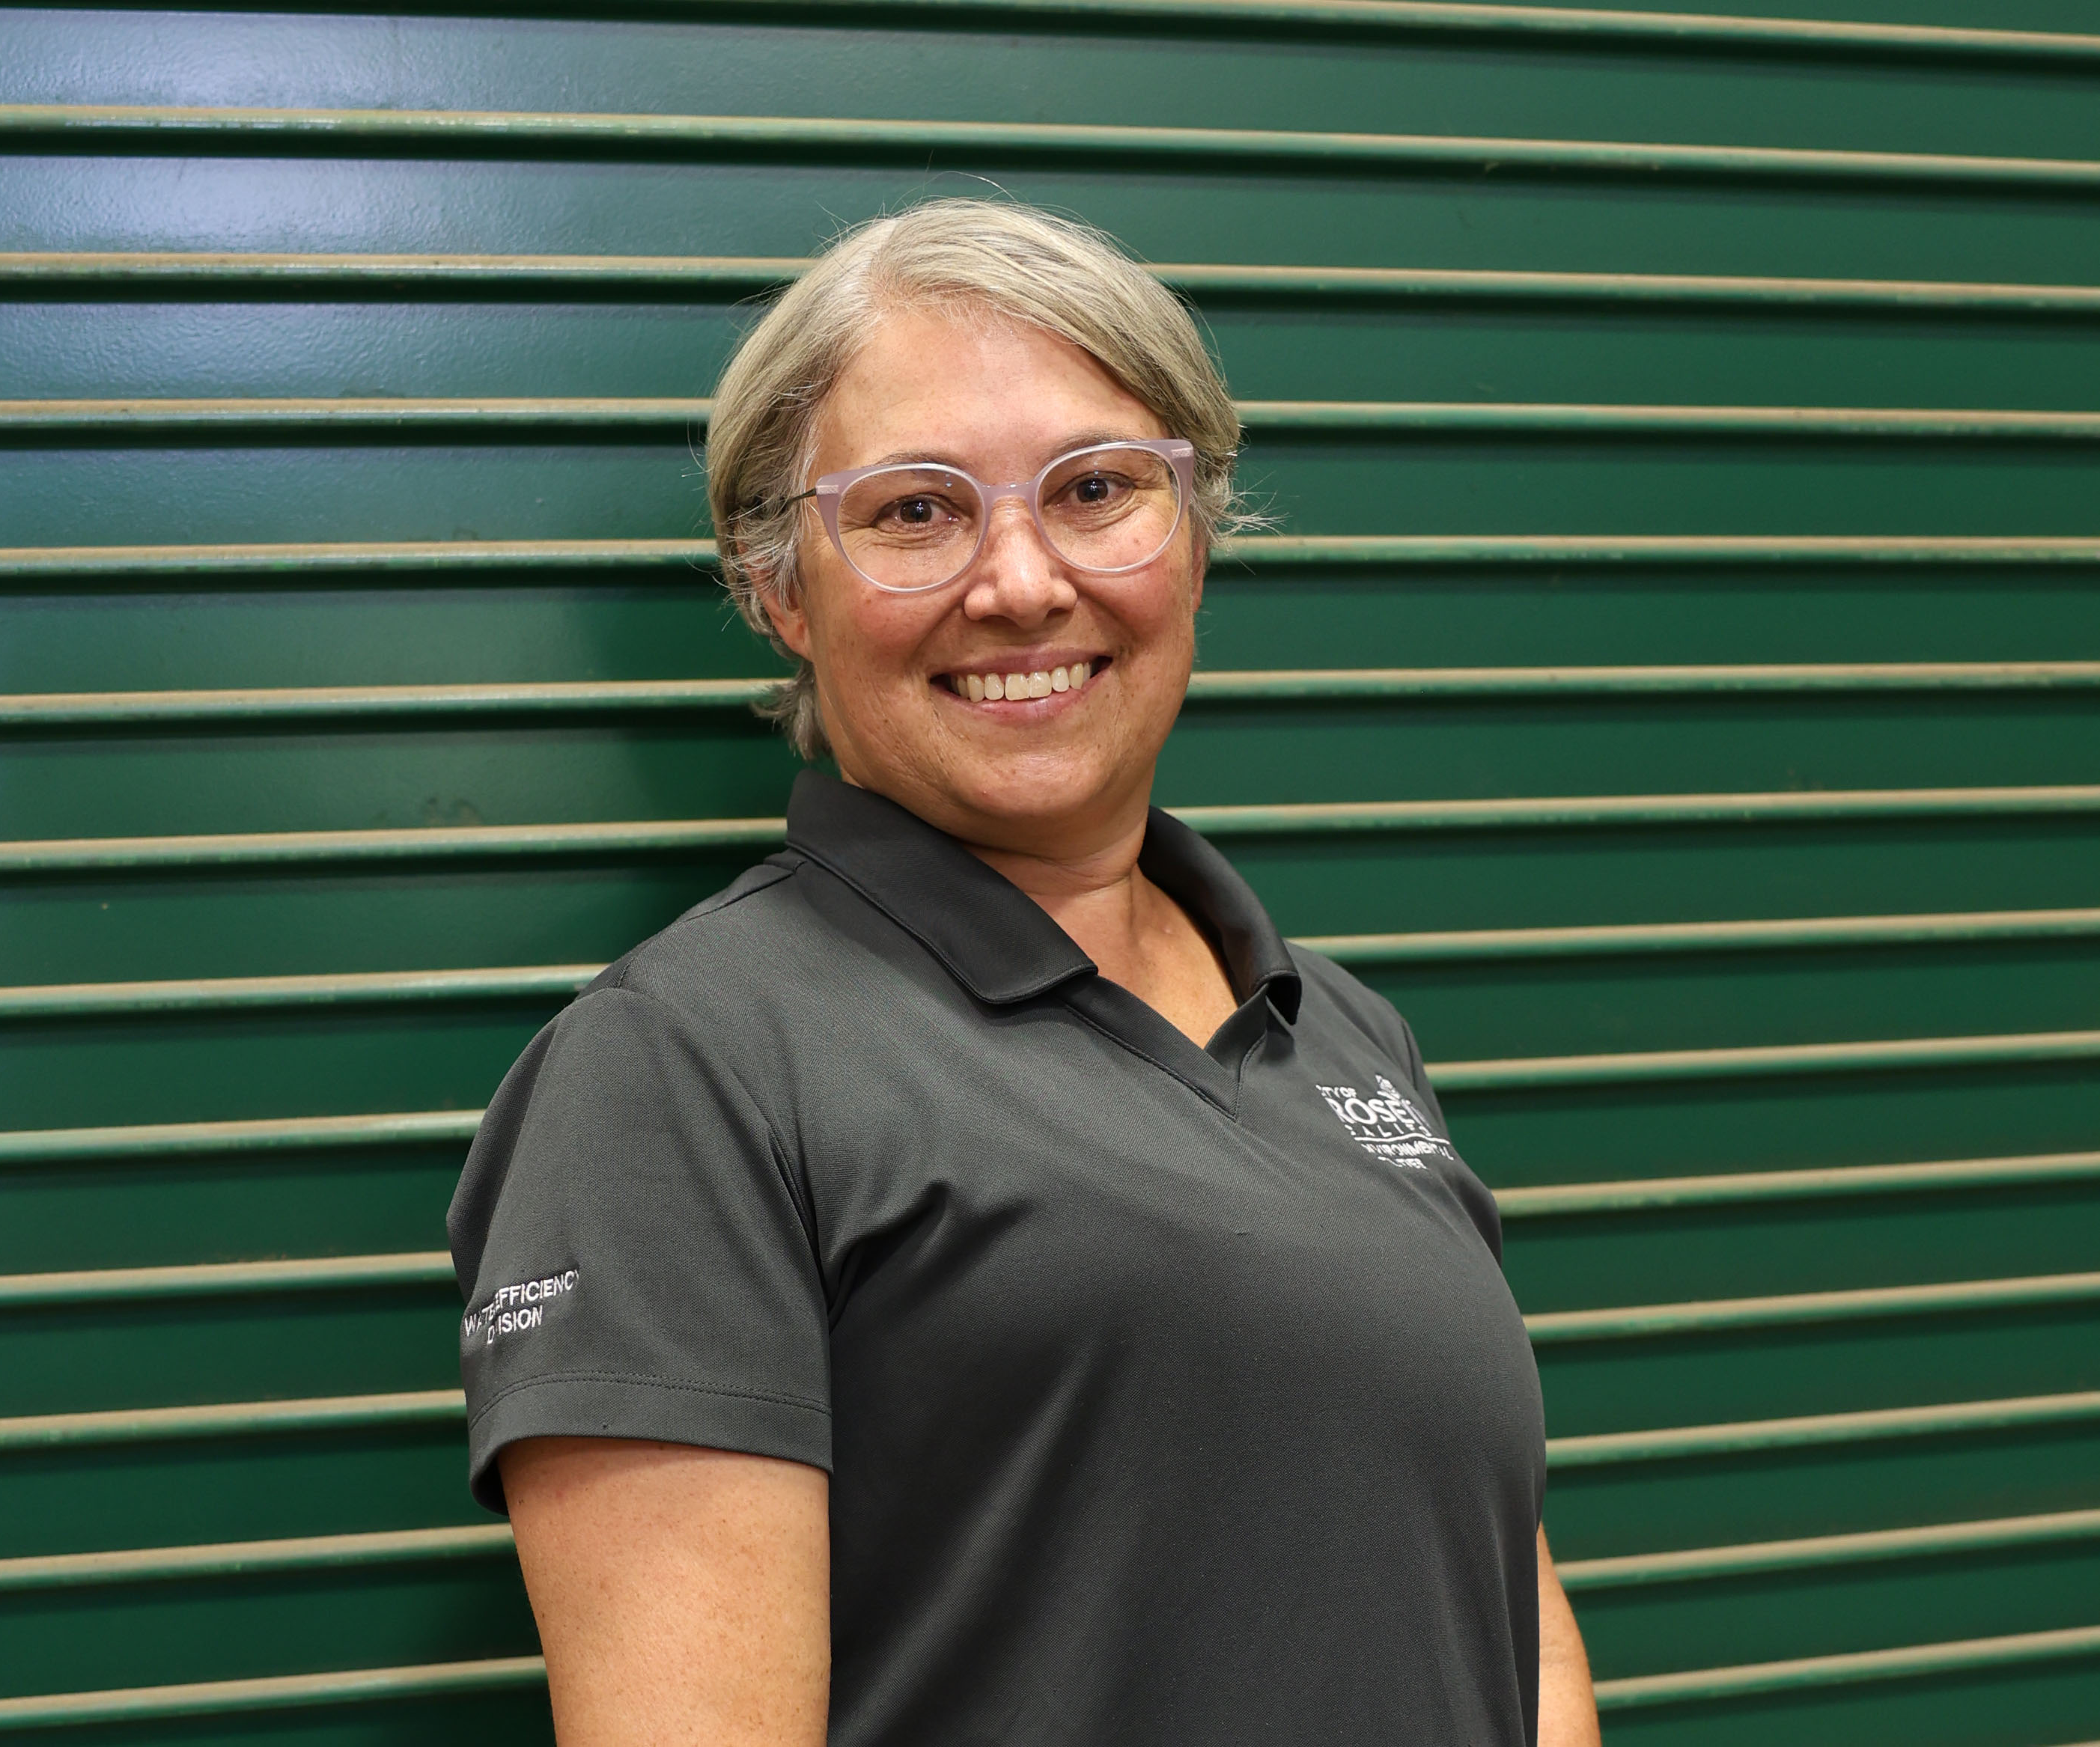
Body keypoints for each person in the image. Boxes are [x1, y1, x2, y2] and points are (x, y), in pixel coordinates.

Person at [448, 198, 1600, 1746]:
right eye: (915, 511)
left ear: (1194, 535)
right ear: (783, 592)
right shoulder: (685, 1069)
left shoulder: (1342, 1031)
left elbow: (1503, 1615)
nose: (1019, 582)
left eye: (1097, 489)